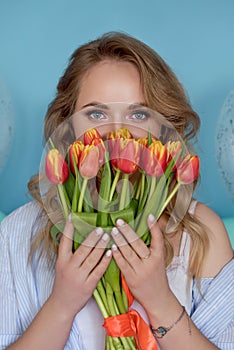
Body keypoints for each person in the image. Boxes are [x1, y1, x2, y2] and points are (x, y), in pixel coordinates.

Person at [0, 31, 233, 350]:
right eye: (96, 114)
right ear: (66, 125)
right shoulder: (18, 232)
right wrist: (62, 305)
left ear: (165, 128)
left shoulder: (202, 233)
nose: (118, 134)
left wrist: (160, 302)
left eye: (139, 114)